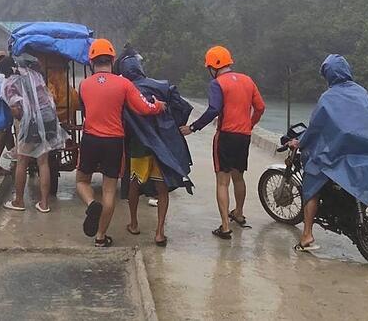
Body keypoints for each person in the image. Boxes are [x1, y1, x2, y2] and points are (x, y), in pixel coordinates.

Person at [288, 54, 368, 252]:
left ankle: (306, 235)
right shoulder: (362, 93)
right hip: (367, 150)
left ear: (328, 75)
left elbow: (315, 128)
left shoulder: (327, 98)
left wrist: (301, 142)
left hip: (339, 154)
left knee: (311, 183)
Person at [76, 39, 166, 248]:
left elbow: (84, 109)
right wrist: (158, 106)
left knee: (82, 181)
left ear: (92, 62)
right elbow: (144, 108)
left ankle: (91, 204)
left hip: (90, 139)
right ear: (113, 60)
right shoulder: (124, 84)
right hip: (114, 142)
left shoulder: (84, 85)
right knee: (109, 190)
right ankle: (100, 237)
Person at [180, 45, 265, 240]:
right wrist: (249, 124)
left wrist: (192, 127)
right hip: (244, 136)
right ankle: (239, 213)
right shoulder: (248, 80)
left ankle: (225, 227)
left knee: (222, 182)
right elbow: (260, 107)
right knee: (238, 177)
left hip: (225, 135)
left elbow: (213, 110)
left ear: (213, 66)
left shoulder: (217, 84)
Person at [115, 45, 194, 247]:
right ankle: (159, 232)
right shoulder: (162, 86)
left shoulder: (125, 90)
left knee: (134, 184)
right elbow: (182, 107)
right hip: (162, 146)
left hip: (139, 146)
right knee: (162, 189)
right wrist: (171, 125)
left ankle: (133, 223)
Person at [0, 52, 66, 213]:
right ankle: (44, 204)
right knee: (43, 161)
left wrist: (22, 118)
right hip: (49, 118)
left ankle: (19, 201)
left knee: (22, 160)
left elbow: (17, 110)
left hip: (31, 122)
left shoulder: (9, 84)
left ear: (1, 71)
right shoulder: (34, 74)